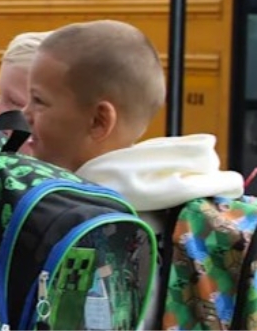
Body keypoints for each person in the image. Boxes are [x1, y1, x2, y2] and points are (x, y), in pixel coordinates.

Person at [22, 19, 244, 329]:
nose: (25, 114)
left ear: (99, 121)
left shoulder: (95, 226)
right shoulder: (181, 194)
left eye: (39, 101)